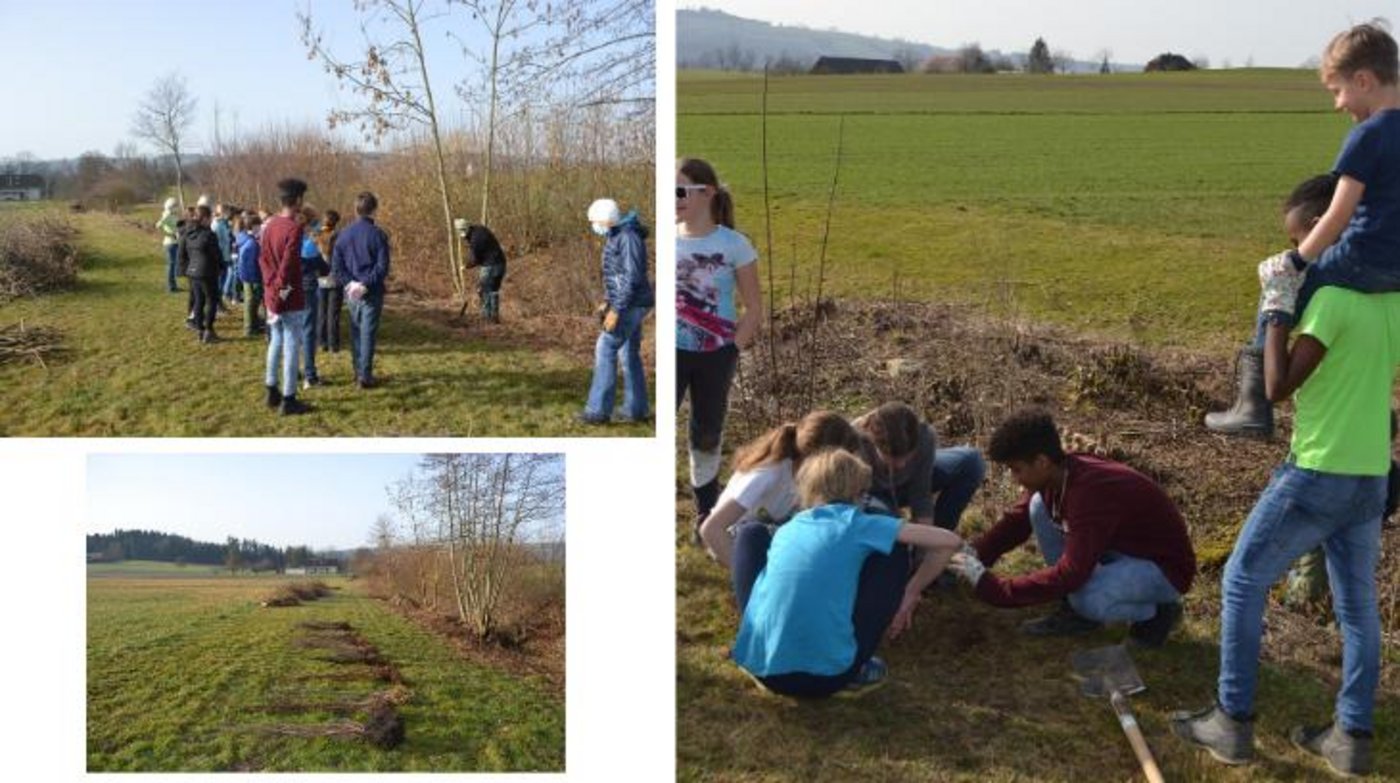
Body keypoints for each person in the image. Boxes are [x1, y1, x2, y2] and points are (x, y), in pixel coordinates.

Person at [1171, 277, 1400, 773]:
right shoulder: (1391, 302)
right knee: (1358, 608)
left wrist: (1275, 309)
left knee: (1241, 580)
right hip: (1370, 475)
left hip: (1318, 473)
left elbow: (1275, 388)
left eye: (1299, 238)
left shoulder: (1333, 300)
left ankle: (1232, 722)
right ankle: (1350, 737)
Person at [1206, 22, 1400, 438]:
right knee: (1362, 334)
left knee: (1278, 287)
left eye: (1338, 90)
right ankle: (1378, 415)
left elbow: (1335, 215)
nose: (1337, 104)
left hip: (1358, 260)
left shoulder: (1366, 136)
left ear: (1364, 80)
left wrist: (1295, 262)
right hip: (1396, 271)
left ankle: (1253, 406)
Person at [947, 408, 1196, 647]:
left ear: (1042, 461)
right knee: (1037, 507)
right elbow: (1017, 521)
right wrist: (976, 555)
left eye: (1017, 469)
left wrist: (995, 589)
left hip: (1164, 570)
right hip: (1122, 550)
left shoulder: (1090, 494)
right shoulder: (1061, 474)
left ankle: (1158, 611)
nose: (1015, 478)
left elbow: (1071, 573)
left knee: (1086, 598)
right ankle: (1076, 607)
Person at [729, 448, 962, 698]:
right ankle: (856, 668)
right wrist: (911, 592)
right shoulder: (860, 523)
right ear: (858, 492)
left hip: (763, 668)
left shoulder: (787, 528)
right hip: (829, 678)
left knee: (750, 532)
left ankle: (757, 642)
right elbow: (950, 542)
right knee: (893, 549)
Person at [677, 158, 763, 525]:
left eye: (680, 191)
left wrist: (732, 349)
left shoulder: (734, 245)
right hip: (673, 355)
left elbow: (754, 308)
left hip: (716, 355)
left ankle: (705, 512)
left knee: (707, 434)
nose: (673, 199)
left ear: (707, 193)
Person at [698, 410, 864, 563]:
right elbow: (712, 529)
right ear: (815, 456)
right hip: (734, 538)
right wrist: (749, 575)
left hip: (772, 529)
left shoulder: (802, 470)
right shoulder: (767, 475)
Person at [853, 402, 986, 533]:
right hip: (870, 496)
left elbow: (921, 493)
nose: (901, 465)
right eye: (892, 459)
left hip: (905, 487)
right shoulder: (853, 442)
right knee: (890, 538)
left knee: (971, 461)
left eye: (907, 457)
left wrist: (927, 539)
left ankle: (939, 538)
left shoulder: (924, 435)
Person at [580, 198, 655, 425]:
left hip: (632, 303)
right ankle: (637, 409)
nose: (593, 225)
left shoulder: (628, 238)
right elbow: (616, 276)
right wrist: (607, 301)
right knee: (627, 353)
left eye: (594, 221)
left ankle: (597, 411)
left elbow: (632, 277)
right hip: (628, 301)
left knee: (605, 347)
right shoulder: (616, 236)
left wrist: (617, 310)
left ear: (606, 219)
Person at [258, 178, 312, 415]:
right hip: (287, 296)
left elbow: (264, 261)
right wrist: (280, 296)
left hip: (273, 293)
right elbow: (288, 270)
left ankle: (271, 388)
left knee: (276, 341)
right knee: (291, 345)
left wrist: (271, 294)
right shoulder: (293, 229)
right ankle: (288, 398)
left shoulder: (269, 225)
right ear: (298, 200)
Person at [332, 191, 391, 389]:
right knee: (367, 333)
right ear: (374, 210)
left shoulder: (342, 235)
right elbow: (382, 268)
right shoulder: (378, 235)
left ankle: (358, 371)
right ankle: (364, 375)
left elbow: (337, 267)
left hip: (352, 291)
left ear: (355, 209)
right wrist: (364, 284)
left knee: (356, 331)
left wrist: (351, 283)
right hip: (371, 290)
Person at [178, 204, 224, 344]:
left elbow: (182, 254)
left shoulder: (186, 233)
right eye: (209, 218)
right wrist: (221, 267)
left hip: (192, 272)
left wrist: (185, 269)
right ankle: (209, 331)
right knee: (212, 301)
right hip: (207, 272)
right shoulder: (209, 235)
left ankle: (200, 330)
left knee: (198, 301)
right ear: (204, 218)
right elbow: (216, 254)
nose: (211, 220)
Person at [297, 207, 328, 388]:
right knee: (308, 331)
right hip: (307, 288)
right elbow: (324, 269)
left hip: (288, 288)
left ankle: (293, 372)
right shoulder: (309, 244)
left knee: (292, 331)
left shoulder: (289, 239)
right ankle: (309, 374)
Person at [460, 221, 507, 324]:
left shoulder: (475, 240)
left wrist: (466, 266)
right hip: (502, 264)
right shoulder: (480, 229)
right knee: (493, 291)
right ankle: (494, 318)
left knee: (483, 291)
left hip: (490, 266)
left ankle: (486, 318)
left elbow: (475, 259)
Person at [315, 210, 343, 352]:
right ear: (336, 222)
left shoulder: (316, 236)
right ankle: (333, 344)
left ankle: (321, 342)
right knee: (334, 313)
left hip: (321, 277)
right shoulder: (339, 236)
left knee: (322, 310)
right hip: (335, 276)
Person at [235, 213, 264, 338]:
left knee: (251, 302)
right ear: (253, 227)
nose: (260, 228)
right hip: (252, 277)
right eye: (258, 225)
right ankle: (249, 328)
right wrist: (256, 279)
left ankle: (254, 324)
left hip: (246, 276)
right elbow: (252, 263)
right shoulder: (252, 243)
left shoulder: (244, 239)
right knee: (251, 302)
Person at [156, 197, 180, 292]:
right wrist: (170, 235)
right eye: (175, 205)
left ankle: (173, 285)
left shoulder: (173, 215)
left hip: (175, 242)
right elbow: (158, 226)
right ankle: (170, 287)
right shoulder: (167, 215)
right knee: (171, 265)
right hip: (169, 243)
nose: (177, 207)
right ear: (171, 206)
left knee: (173, 265)